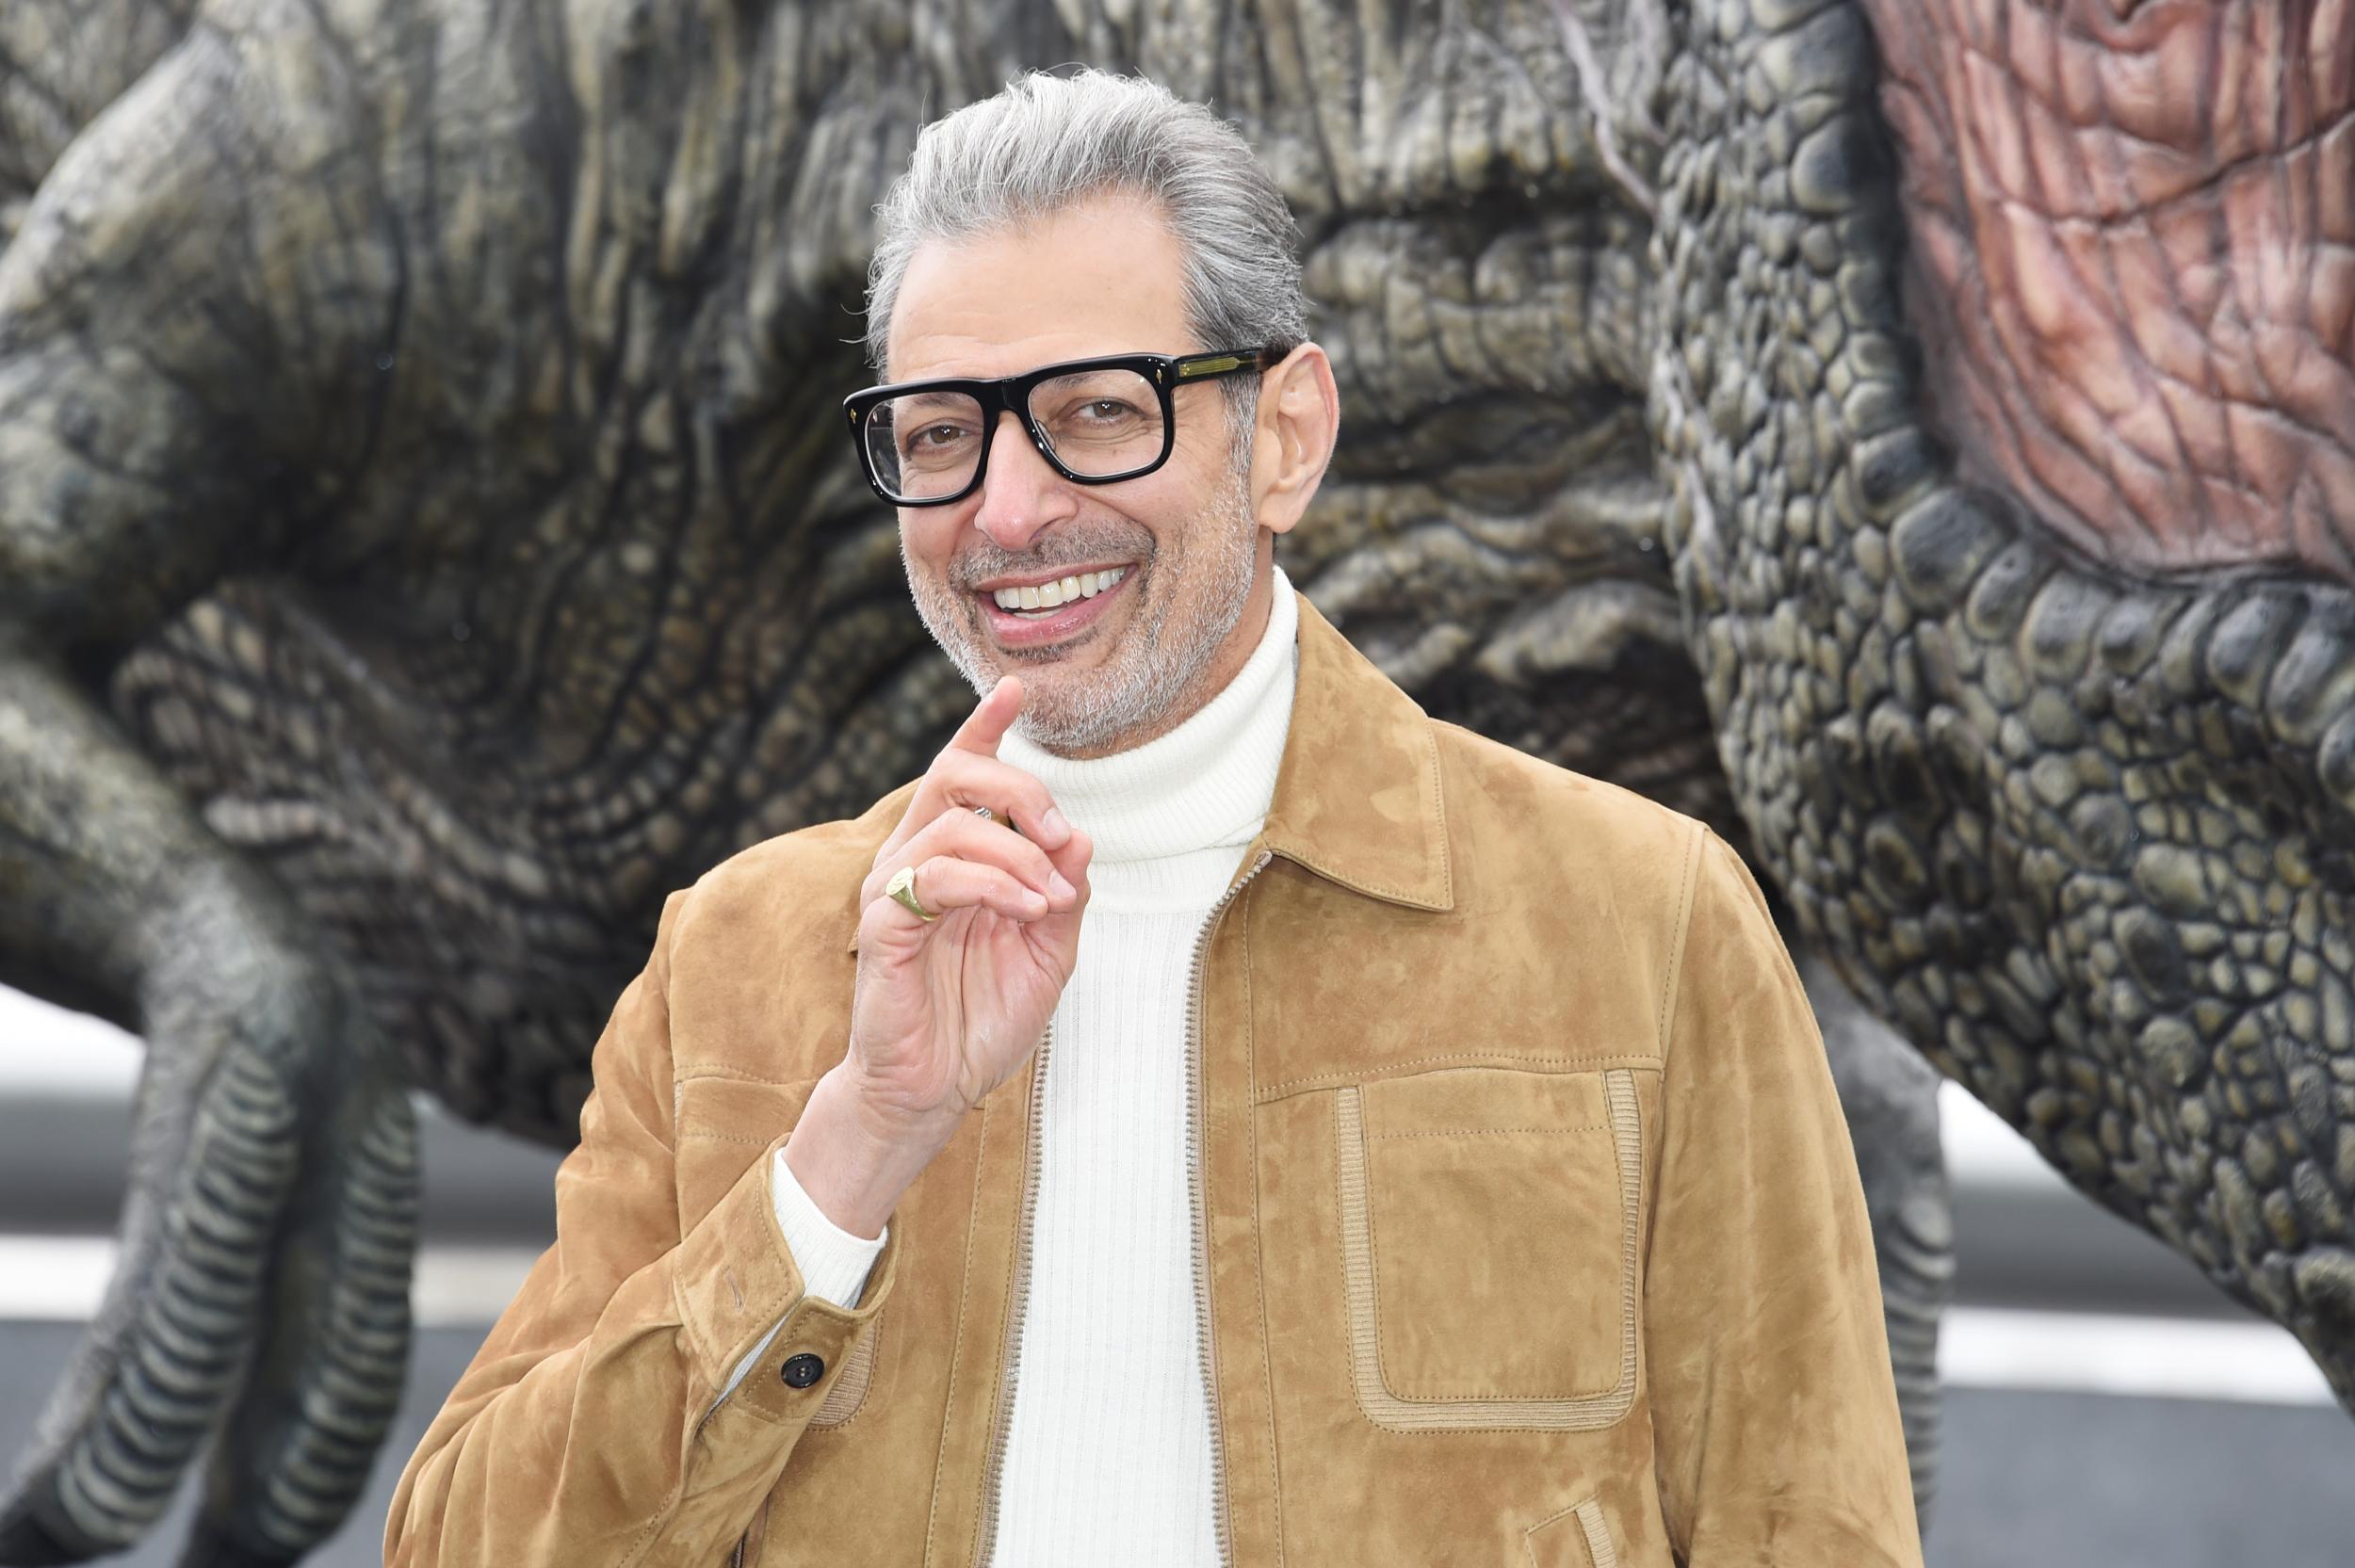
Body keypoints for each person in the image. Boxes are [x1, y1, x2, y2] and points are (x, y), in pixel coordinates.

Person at [385, 67, 1924, 1568]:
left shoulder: (1641, 926)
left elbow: (1813, 1528)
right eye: (939, 432)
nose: (1005, 511)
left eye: (1097, 412)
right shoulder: (735, 959)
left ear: (1286, 436)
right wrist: (848, 1155)